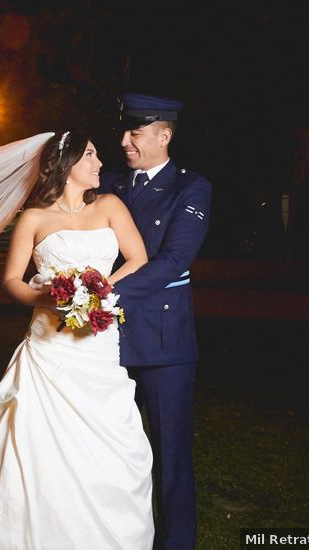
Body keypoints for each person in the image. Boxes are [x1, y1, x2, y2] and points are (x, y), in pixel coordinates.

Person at [0, 131, 155, 549]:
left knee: (109, 442)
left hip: (97, 346)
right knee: (34, 444)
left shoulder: (110, 206)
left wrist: (100, 290)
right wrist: (43, 297)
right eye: (91, 156)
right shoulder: (33, 218)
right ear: (66, 165)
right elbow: (11, 280)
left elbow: (138, 259)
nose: (101, 163)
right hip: (49, 347)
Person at [99, 93, 212, 550]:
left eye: (136, 133)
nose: (124, 141)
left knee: (169, 456)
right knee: (111, 450)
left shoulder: (192, 187)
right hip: (107, 341)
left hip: (164, 344)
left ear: (164, 135)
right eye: (124, 131)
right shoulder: (108, 182)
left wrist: (101, 295)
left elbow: (175, 260)